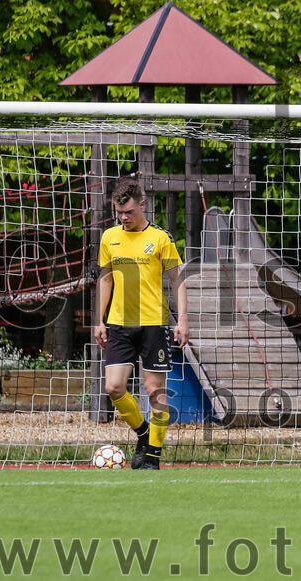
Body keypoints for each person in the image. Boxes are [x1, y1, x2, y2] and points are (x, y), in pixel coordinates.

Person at [95, 176, 189, 471]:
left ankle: (153, 457)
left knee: (154, 391)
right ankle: (144, 433)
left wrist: (182, 319)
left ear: (143, 205)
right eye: (118, 212)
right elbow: (105, 279)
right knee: (114, 387)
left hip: (153, 324)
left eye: (129, 212)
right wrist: (99, 319)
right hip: (119, 324)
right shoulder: (109, 237)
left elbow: (177, 279)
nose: (123, 218)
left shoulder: (161, 238)